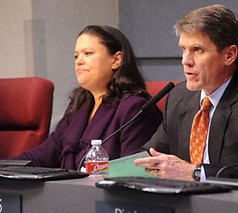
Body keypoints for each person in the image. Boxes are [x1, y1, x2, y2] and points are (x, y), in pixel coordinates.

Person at [134, 4, 238, 184]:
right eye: (183, 49)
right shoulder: (178, 97)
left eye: (197, 50)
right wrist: (104, 169)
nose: (185, 61)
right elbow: (149, 157)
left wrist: (195, 172)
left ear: (229, 55)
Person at [11, 25, 162, 170]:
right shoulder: (79, 105)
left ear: (116, 60)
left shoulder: (134, 108)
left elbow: (133, 172)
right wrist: (5, 166)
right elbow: (44, 155)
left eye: (88, 53)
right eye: (76, 56)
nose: (78, 61)